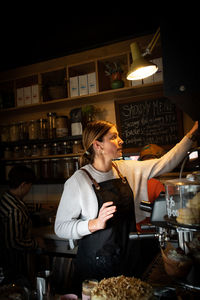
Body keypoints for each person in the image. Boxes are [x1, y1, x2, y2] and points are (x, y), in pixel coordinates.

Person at [54, 120, 198, 293]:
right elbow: (60, 227)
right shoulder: (79, 180)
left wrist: (192, 136)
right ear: (98, 145)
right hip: (97, 265)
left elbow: (165, 162)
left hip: (129, 258)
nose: (121, 140)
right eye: (114, 137)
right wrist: (93, 224)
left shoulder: (125, 169)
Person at [0, 165, 41, 286]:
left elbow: (23, 206)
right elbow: (14, 243)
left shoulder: (6, 198)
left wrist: (42, 207)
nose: (30, 189)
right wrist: (36, 243)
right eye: (30, 185)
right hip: (13, 265)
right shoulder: (14, 210)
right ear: (23, 185)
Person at [136, 143, 166, 231]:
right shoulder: (156, 184)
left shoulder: (133, 180)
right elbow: (164, 212)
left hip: (133, 232)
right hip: (149, 233)